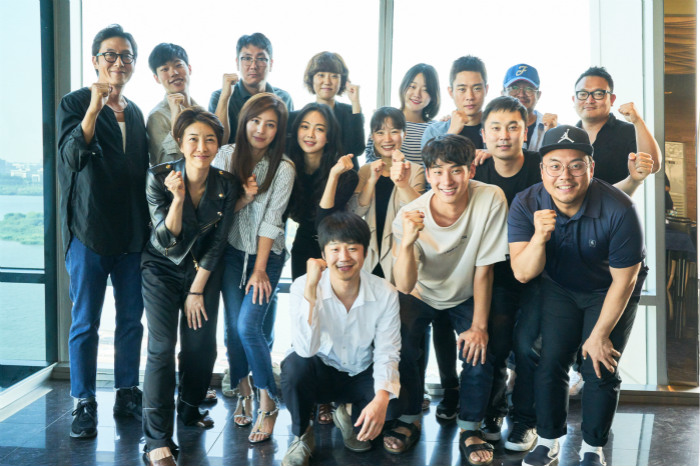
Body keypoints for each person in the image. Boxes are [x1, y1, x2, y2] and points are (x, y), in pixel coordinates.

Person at [508, 125, 647, 466]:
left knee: (599, 363)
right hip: (561, 287)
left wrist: (599, 335)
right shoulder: (526, 202)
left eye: (576, 165)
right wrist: (539, 238)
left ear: (591, 168)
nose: (565, 176)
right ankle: (548, 439)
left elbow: (625, 280)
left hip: (609, 287)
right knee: (551, 360)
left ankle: (592, 449)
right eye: (555, 166)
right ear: (543, 169)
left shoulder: (620, 208)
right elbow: (523, 272)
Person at [386, 134, 509, 466]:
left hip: (467, 289)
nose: (447, 180)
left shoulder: (491, 198)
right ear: (427, 174)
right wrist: (408, 242)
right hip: (420, 291)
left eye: (456, 170)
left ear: (471, 170)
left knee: (480, 348)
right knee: (402, 343)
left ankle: (470, 427)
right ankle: (409, 417)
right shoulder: (409, 214)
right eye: (438, 172)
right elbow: (404, 284)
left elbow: (484, 268)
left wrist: (479, 327)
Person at [57, 24, 149, 439]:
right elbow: (72, 156)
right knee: (85, 322)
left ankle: (127, 392)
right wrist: (94, 108)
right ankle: (84, 401)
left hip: (132, 234)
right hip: (89, 231)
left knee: (131, 320)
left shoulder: (136, 112)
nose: (118, 62)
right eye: (110, 54)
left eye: (126, 55)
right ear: (95, 60)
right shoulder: (75, 102)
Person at [141, 108, 237, 466]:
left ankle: (189, 407)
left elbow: (219, 241)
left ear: (218, 145)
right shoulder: (158, 177)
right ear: (180, 142)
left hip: (202, 271)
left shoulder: (226, 184)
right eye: (193, 139)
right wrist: (178, 198)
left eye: (210, 139)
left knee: (200, 347)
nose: (202, 147)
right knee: (162, 347)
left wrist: (197, 290)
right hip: (161, 269)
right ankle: (156, 440)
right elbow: (166, 240)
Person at [280, 211, 401, 466]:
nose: (344, 257)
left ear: (365, 253)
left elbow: (387, 351)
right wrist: (311, 289)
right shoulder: (302, 286)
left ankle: (346, 416)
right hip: (321, 372)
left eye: (353, 249)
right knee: (294, 367)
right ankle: (302, 435)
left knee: (389, 403)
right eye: (335, 249)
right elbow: (305, 349)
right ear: (323, 254)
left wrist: (381, 398)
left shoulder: (385, 292)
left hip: (360, 371)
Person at [218, 92, 295, 443]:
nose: (261, 129)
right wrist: (244, 198)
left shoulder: (284, 168)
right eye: (255, 121)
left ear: (278, 130)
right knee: (233, 330)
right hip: (232, 254)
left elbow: (272, 221)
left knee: (249, 325)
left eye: (270, 124)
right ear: (244, 121)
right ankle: (243, 390)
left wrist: (260, 269)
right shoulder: (225, 156)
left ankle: (268, 402)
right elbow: (215, 211)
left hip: (267, 256)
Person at [472, 96, 543, 447]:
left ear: (525, 132)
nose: (504, 135)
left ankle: (526, 419)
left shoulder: (541, 166)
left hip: (540, 275)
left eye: (513, 127)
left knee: (529, 346)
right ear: (484, 135)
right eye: (496, 128)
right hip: (496, 274)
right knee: (496, 343)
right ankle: (494, 409)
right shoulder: (477, 171)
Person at [351, 107, 425, 282]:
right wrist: (371, 181)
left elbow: (418, 211)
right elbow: (356, 212)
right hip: (369, 250)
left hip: (401, 250)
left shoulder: (415, 170)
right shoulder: (365, 170)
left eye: (394, 131)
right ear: (372, 136)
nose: (387, 139)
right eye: (380, 132)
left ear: (404, 134)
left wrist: (401, 178)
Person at [287, 102, 359, 281]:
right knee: (304, 296)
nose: (310, 134)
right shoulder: (288, 167)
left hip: (336, 246)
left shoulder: (346, 175)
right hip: (302, 243)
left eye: (319, 129)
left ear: (329, 136)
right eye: (305, 127)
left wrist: (333, 175)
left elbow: (323, 222)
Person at [573, 66, 661, 187]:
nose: (589, 100)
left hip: (616, 199)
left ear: (612, 99)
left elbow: (653, 165)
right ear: (574, 99)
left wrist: (638, 121)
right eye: (583, 94)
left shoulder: (627, 132)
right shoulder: (568, 135)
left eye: (598, 94)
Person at [209, 33, 293, 144]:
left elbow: (287, 142)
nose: (253, 66)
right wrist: (225, 98)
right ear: (237, 63)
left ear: (271, 64)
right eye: (247, 58)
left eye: (261, 59)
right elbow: (216, 143)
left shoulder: (284, 98)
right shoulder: (219, 97)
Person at [291, 51, 364, 169]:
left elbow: (357, 149)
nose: (327, 82)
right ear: (311, 79)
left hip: (345, 176)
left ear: (342, 81)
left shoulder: (350, 112)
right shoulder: (296, 117)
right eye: (321, 75)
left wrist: (355, 102)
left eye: (334, 76)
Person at [365, 63, 441, 165]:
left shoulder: (435, 129)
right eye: (412, 86)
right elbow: (370, 161)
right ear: (403, 87)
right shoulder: (385, 119)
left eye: (425, 90)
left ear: (433, 95)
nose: (417, 94)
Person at [421, 56, 488, 151]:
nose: (470, 97)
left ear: (486, 90)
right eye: (462, 89)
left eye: (476, 88)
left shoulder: (498, 129)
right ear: (451, 92)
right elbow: (430, 161)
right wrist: (451, 133)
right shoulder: (434, 131)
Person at [146, 43, 197, 166]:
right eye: (165, 69)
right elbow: (166, 162)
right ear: (156, 78)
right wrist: (176, 116)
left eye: (178, 65)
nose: (173, 73)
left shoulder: (200, 110)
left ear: (189, 68)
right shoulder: (157, 116)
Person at [501, 63, 557, 151]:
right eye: (514, 88)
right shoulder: (489, 127)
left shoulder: (552, 128)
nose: (521, 94)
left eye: (529, 89)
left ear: (538, 95)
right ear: (502, 94)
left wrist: (552, 135)